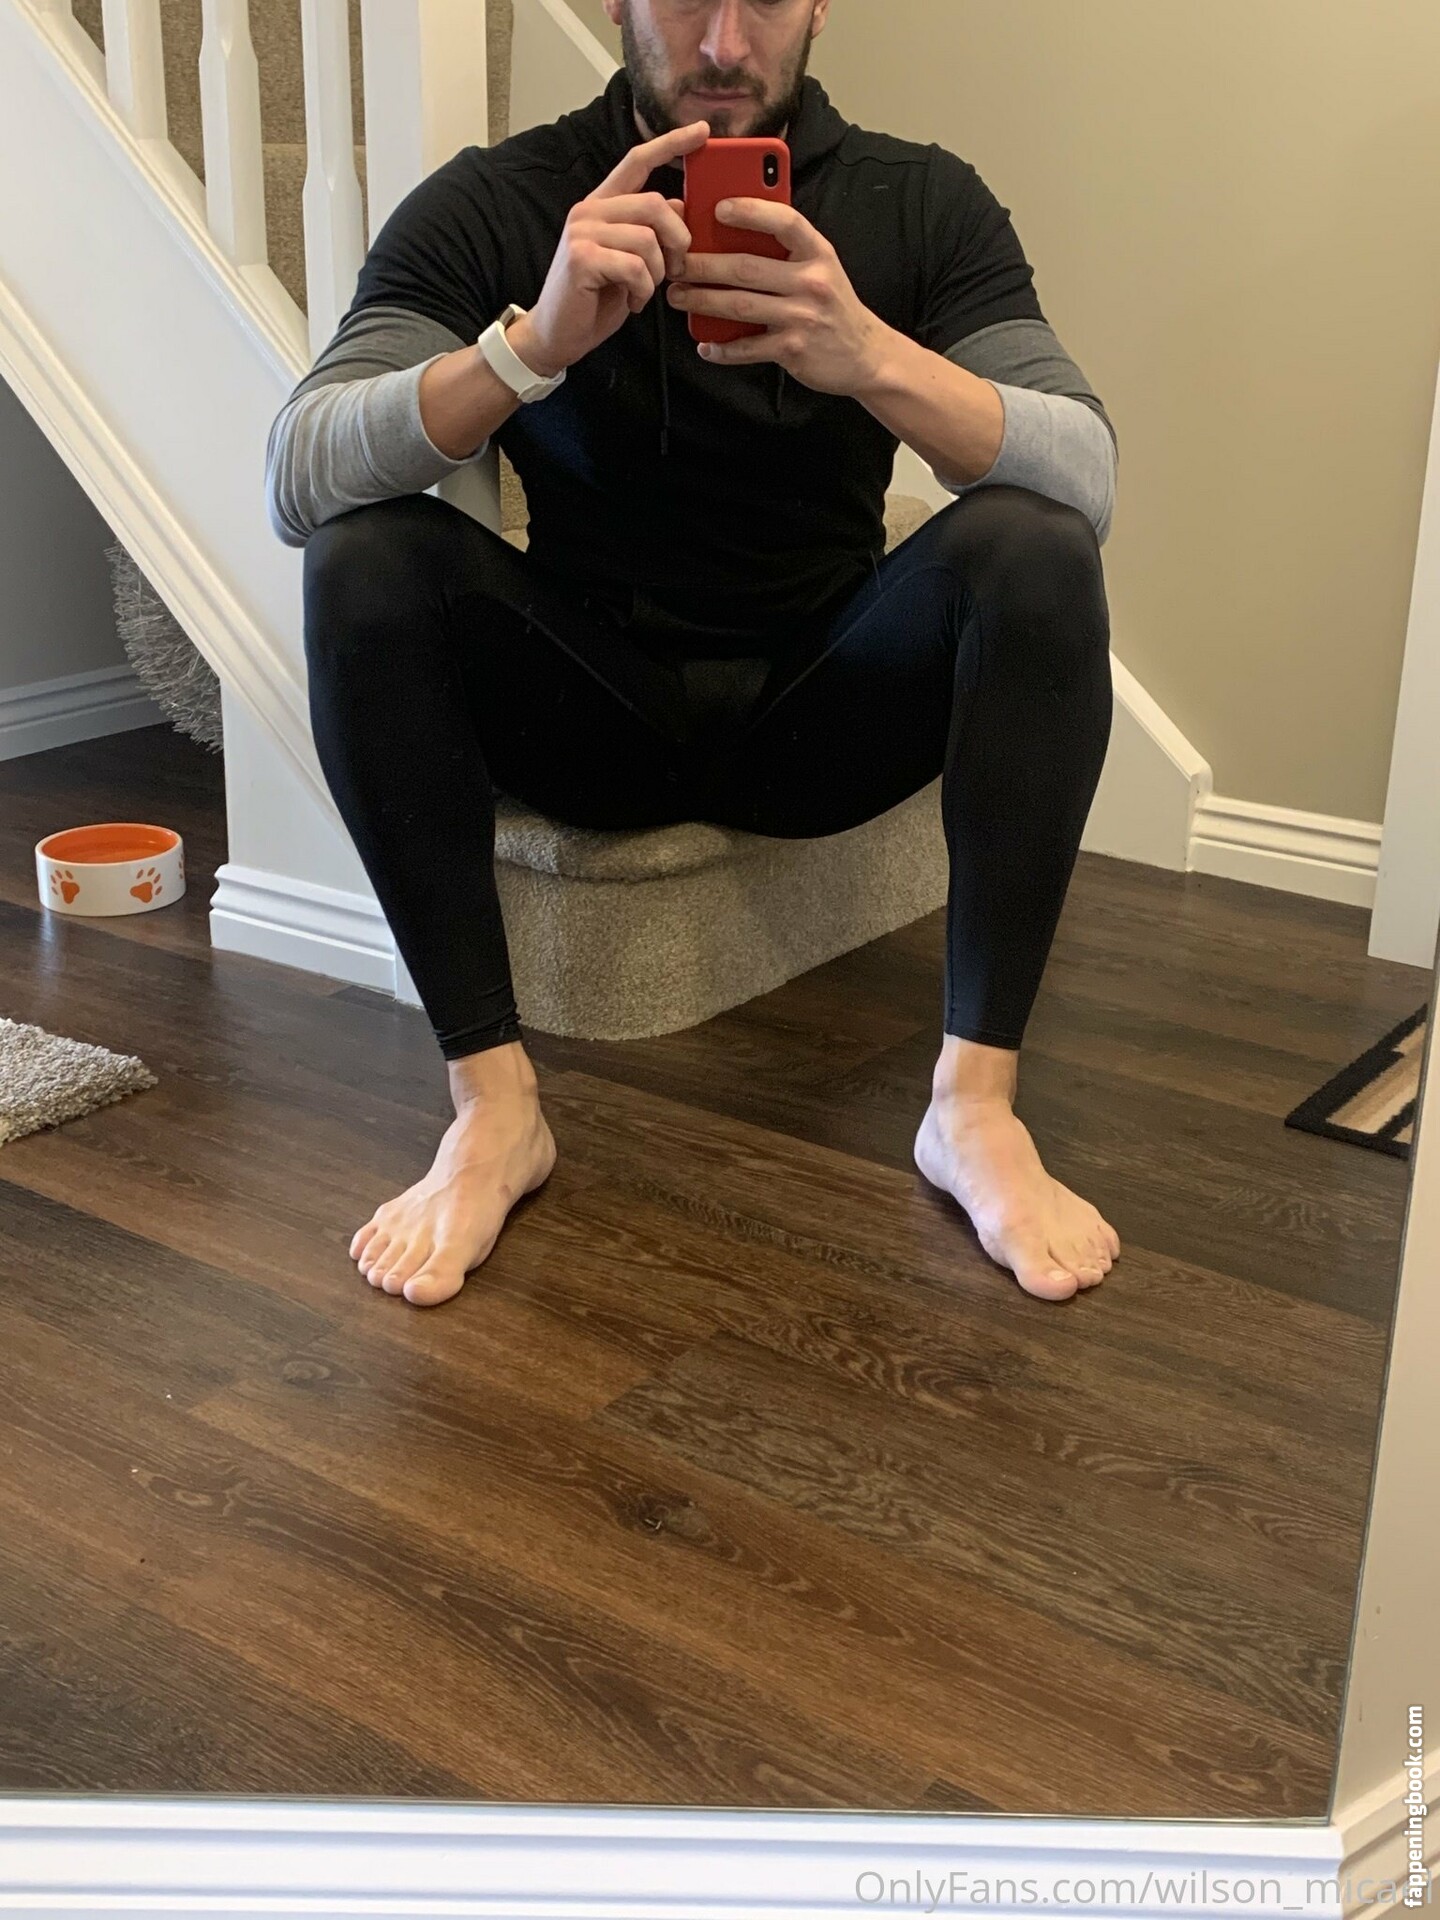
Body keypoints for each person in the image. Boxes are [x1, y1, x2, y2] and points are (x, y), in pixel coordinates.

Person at [266, 0, 1123, 1310]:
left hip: (823, 710)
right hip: (591, 709)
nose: (724, 42)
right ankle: (492, 1107)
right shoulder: (507, 200)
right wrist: (529, 347)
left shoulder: (921, 202)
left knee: (1039, 546)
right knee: (361, 555)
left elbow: (1087, 472)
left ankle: (974, 1105)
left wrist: (869, 356)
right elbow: (299, 472)